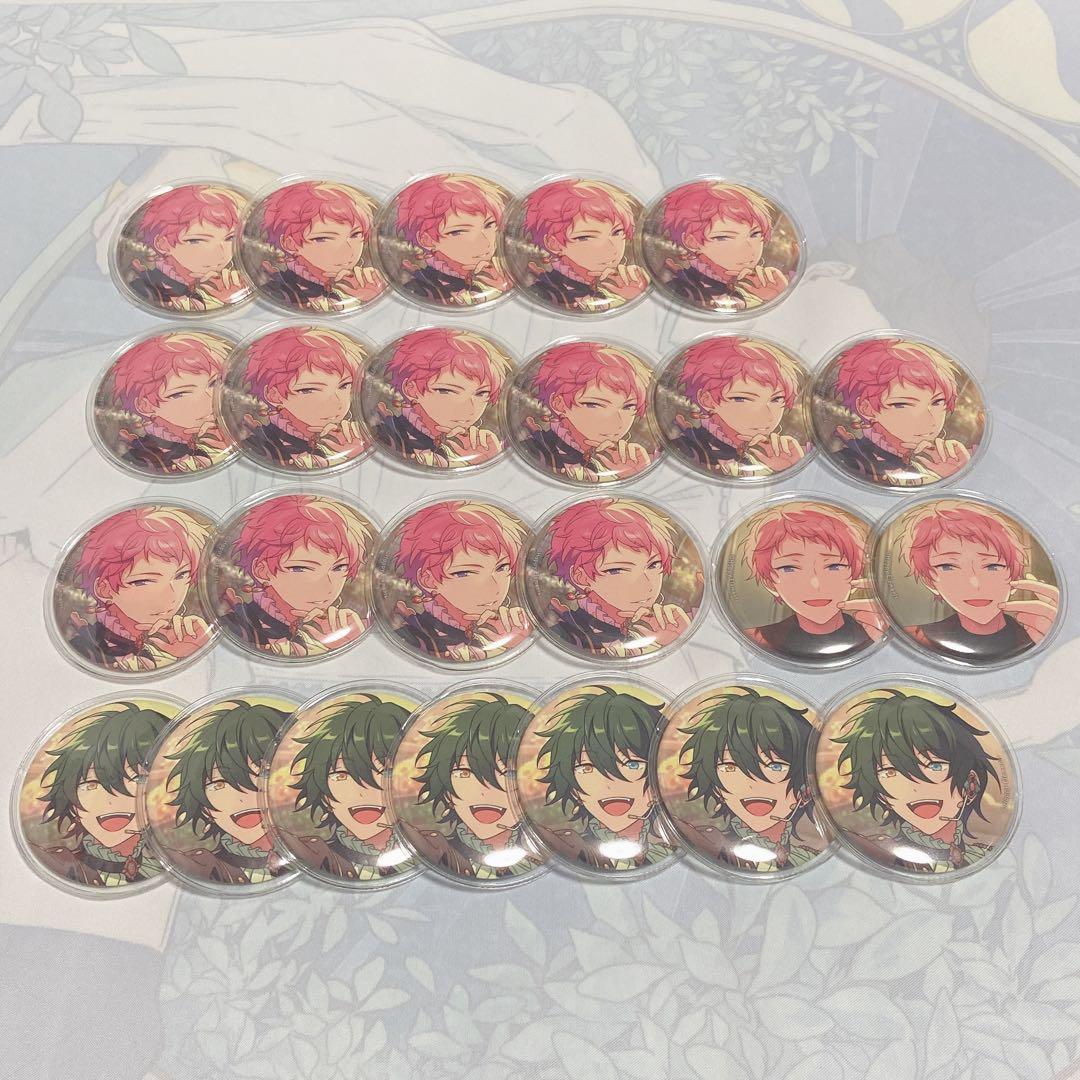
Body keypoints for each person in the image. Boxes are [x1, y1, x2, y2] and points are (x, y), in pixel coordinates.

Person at [832, 688, 1000, 872]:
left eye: (935, 766)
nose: (915, 787)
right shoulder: (879, 851)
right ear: (880, 795)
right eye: (890, 772)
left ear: (971, 783)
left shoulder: (979, 853)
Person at [898, 501, 1059, 663]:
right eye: (948, 567)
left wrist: (1059, 639)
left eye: (992, 566)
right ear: (930, 581)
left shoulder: (1035, 634)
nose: (975, 584)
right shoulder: (915, 637)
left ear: (1014, 577)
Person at [677, 687, 818, 872]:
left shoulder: (806, 854)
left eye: (775, 766)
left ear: (806, 788)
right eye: (730, 767)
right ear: (716, 787)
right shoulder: (709, 842)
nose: (752, 784)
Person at [536, 685, 674, 871]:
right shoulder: (572, 845)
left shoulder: (669, 838)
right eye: (587, 768)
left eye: (632, 765)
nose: (610, 784)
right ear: (572, 786)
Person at [33, 702, 171, 887]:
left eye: (136, 779)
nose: (111, 801)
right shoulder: (62, 865)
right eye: (91, 784)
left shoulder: (195, 862)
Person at [221, 495, 370, 658]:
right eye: (301, 568)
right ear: (262, 571)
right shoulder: (239, 626)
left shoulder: (339, 627)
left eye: (339, 567)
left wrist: (351, 645)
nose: (326, 587)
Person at [66, 505, 212, 672]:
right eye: (143, 581)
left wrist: (191, 650)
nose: (170, 597)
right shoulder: (88, 650)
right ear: (104, 589)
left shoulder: (166, 643)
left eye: (181, 575)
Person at [287, 693, 414, 882]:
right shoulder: (315, 853)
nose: (362, 792)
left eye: (384, 772)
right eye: (341, 775)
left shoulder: (439, 849)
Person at [412, 693, 541, 879]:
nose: (485, 791)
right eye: (464, 772)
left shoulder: (558, 845)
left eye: (508, 773)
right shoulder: (440, 849)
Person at [164, 699, 291, 885]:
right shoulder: (204, 865)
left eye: (263, 774)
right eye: (219, 784)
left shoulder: (318, 851)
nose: (244, 797)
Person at [546, 498, 693, 657]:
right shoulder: (566, 635)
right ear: (581, 577)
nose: (646, 585)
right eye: (617, 570)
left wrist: (677, 639)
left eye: (653, 565)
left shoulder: (650, 630)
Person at [742, 504, 885, 663]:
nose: (815, 584)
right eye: (789, 568)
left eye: (834, 566)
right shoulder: (759, 637)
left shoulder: (874, 630)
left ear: (855, 575)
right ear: (770, 583)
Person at [391, 501, 530, 662]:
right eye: (464, 573)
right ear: (428, 580)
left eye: (501, 568)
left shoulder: (511, 629)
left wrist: (515, 641)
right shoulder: (414, 636)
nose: (493, 588)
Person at [831, 338, 971, 485]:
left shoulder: (918, 466)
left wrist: (948, 475)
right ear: (866, 408)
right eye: (902, 405)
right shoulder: (850, 462)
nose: (929, 420)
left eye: (937, 402)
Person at [670, 335, 806, 477]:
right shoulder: (688, 449)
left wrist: (788, 467)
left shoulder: (771, 453)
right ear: (707, 400)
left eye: (777, 399)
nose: (767, 415)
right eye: (742, 399)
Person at [520, 341, 653, 482]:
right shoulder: (536, 451)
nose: (617, 422)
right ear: (559, 404)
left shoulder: (596, 463)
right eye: (593, 405)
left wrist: (633, 474)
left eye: (628, 407)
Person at [238, 325, 369, 470]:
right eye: (309, 390)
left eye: (344, 386)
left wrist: (352, 451)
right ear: (274, 395)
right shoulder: (265, 445)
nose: (336, 403)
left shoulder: (355, 436)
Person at [374, 328, 508, 468]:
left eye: (482, 393)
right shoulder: (389, 435)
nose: (469, 408)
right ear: (411, 389)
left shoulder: (459, 446)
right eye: (447, 391)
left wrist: (483, 459)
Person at [107, 331, 231, 474]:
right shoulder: (144, 459)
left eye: (213, 383)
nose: (210, 398)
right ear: (145, 406)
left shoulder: (222, 435)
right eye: (180, 394)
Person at [519, 177, 647, 311]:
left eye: (617, 232)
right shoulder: (544, 293)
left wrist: (630, 295)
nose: (611, 250)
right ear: (554, 244)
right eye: (585, 237)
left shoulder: (604, 291)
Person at [256, 180, 385, 311]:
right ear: (290, 244)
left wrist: (370, 298)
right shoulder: (279, 292)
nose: (348, 251)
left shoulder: (343, 290)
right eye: (323, 238)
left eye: (355, 235)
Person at [660, 181, 789, 310]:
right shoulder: (683, 290)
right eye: (723, 237)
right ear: (691, 242)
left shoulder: (741, 289)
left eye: (755, 234)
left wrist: (772, 296)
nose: (748, 250)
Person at [391, 173, 511, 306]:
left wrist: (501, 287)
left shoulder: (502, 276)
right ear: (427, 240)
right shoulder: (421, 289)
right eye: (458, 232)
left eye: (489, 225)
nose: (484, 243)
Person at [124, 183, 246, 311]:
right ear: (162, 244)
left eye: (230, 238)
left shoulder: (225, 284)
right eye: (196, 241)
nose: (220, 254)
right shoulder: (146, 289)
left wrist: (226, 297)